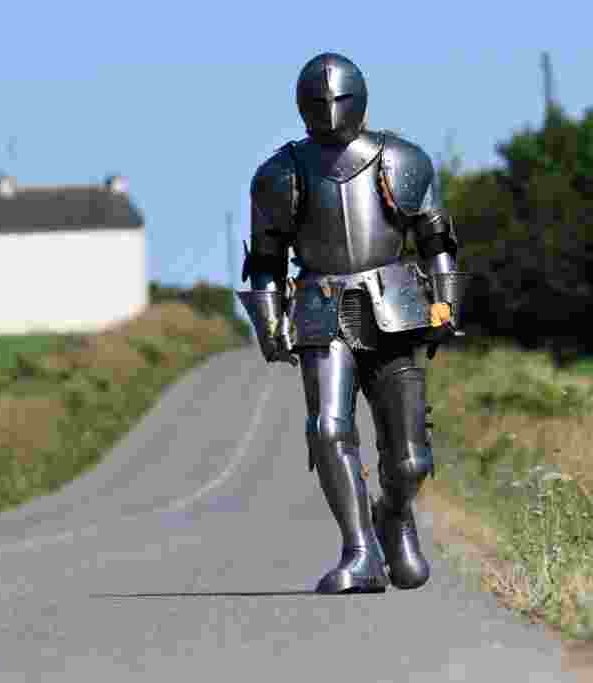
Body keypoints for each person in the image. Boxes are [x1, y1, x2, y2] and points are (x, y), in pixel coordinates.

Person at [237, 53, 465, 594]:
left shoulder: (401, 159)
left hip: (395, 306)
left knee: (410, 459)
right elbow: (266, 260)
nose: (330, 111)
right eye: (319, 103)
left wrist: (446, 304)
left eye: (338, 100)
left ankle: (392, 515)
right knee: (329, 428)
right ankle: (359, 551)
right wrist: (269, 321)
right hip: (319, 304)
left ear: (360, 99)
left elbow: (437, 242)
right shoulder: (281, 173)